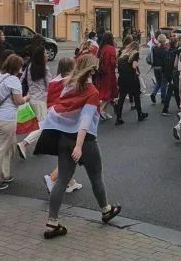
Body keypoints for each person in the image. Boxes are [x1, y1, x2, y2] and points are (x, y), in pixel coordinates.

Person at [33, 54, 121, 239]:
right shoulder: (91, 92)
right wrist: (79, 146)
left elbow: (60, 109)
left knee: (62, 179)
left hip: (63, 139)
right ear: (94, 70)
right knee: (96, 176)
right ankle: (106, 210)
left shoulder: (68, 87)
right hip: (85, 141)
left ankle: (53, 222)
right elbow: (85, 121)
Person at [0, 54, 29, 191]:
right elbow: (18, 101)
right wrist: (27, 98)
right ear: (17, 67)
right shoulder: (13, 80)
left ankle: (6, 173)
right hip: (5, 120)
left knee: (10, 146)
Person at [41, 57, 83, 194]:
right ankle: (52, 178)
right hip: (68, 122)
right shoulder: (72, 82)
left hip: (54, 121)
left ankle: (69, 183)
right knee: (71, 154)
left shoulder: (53, 81)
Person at [15, 47, 52, 159]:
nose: (47, 55)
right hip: (40, 100)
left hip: (30, 97)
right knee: (44, 126)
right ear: (41, 56)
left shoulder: (29, 66)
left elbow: (21, 80)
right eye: (45, 53)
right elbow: (50, 84)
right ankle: (24, 144)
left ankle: (39, 147)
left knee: (38, 124)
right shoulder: (45, 68)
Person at [115, 41, 147, 124]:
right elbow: (134, 66)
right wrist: (137, 63)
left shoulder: (122, 54)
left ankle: (118, 118)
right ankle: (140, 114)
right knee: (136, 96)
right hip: (132, 78)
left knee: (121, 98)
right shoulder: (135, 54)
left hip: (122, 78)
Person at [94, 32, 118, 119]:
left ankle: (103, 111)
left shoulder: (101, 48)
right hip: (109, 74)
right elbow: (112, 62)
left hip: (101, 73)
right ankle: (100, 110)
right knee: (109, 94)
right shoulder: (111, 48)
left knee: (104, 93)